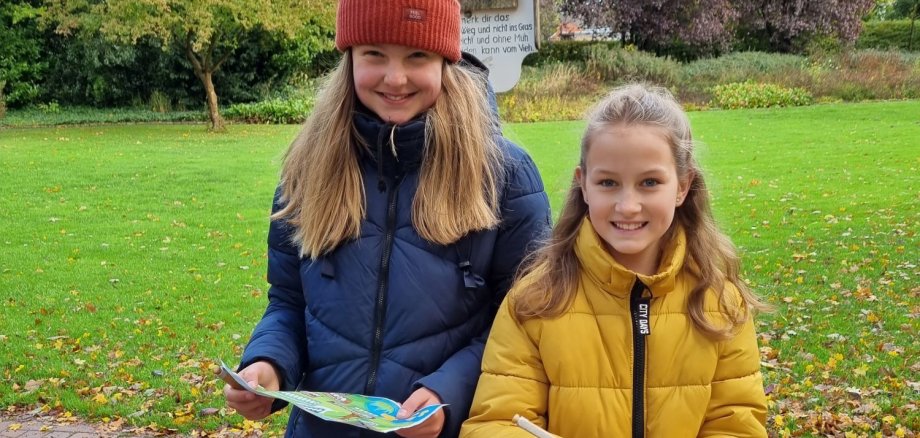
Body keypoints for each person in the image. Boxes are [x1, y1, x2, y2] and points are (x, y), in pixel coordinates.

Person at [223, 0, 551, 437]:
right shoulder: (308, 166)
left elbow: (524, 323)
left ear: (445, 60)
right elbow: (289, 301)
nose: (395, 78)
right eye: (374, 54)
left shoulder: (504, 175)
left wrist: (447, 393)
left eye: (417, 56)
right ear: (350, 58)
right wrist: (268, 362)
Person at [460, 84, 769, 438]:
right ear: (584, 185)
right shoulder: (535, 301)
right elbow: (494, 423)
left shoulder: (719, 304)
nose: (627, 206)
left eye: (650, 182)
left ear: (683, 186)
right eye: (608, 182)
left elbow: (737, 425)